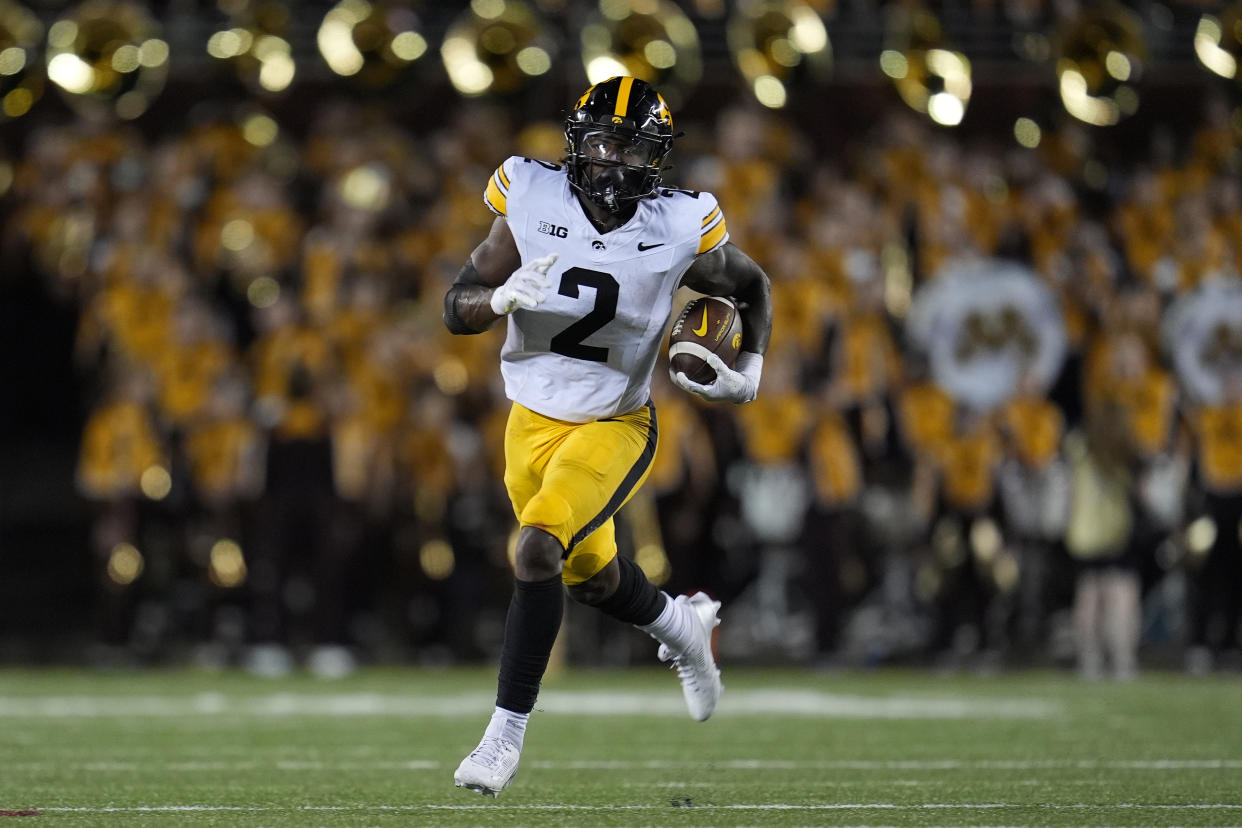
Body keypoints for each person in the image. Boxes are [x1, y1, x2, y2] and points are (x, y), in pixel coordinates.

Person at [441, 76, 773, 796]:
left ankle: (503, 737)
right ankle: (682, 626)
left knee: (535, 550)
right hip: (527, 422)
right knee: (591, 578)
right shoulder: (529, 193)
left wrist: (750, 371)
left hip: (614, 422)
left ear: (656, 158)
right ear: (574, 144)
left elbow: (751, 284)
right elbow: (455, 306)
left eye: (630, 147)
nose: (613, 160)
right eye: (601, 142)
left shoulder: (682, 222)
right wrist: (496, 299)